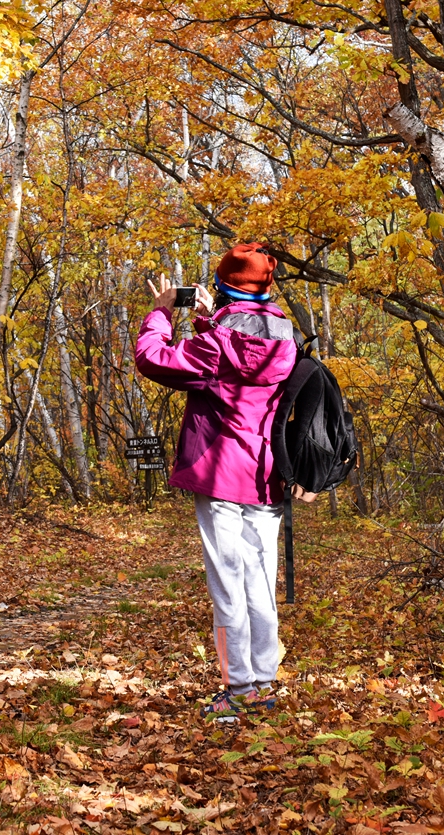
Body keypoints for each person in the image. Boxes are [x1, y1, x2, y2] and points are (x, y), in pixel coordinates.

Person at [134, 242, 314, 721]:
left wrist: (160, 313)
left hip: (219, 476)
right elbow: (240, 357)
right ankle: (263, 682)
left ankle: (237, 689)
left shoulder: (215, 344)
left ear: (222, 286)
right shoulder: (284, 336)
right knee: (259, 581)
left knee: (227, 584)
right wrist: (214, 320)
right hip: (267, 475)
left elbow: (154, 358)